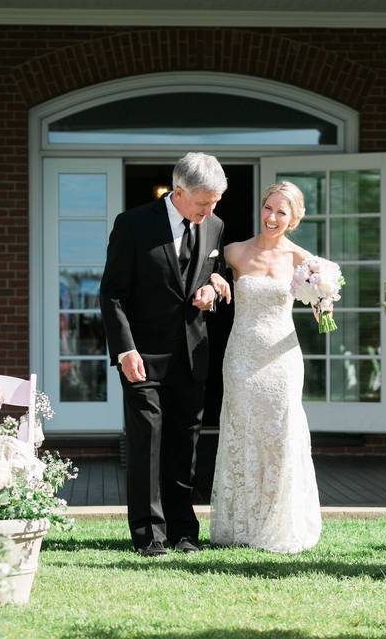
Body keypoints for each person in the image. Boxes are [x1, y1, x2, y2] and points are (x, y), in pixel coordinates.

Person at [100, 152, 228, 556]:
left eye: (214, 203)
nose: (210, 211)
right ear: (178, 192)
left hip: (192, 357)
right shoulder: (133, 224)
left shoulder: (215, 226)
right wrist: (124, 350)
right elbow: (112, 293)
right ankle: (149, 535)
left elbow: (208, 273)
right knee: (147, 446)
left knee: (184, 448)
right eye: (203, 202)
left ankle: (183, 531)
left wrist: (211, 288)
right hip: (141, 356)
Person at [209, 181, 322, 553]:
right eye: (268, 207)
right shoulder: (234, 252)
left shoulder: (303, 261)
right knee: (242, 433)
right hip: (241, 356)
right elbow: (197, 272)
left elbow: (321, 303)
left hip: (282, 359)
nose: (272, 217)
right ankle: (240, 525)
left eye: (281, 211)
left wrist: (324, 305)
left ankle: (276, 524)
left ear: (294, 218)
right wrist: (213, 277)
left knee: (279, 435)